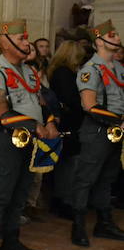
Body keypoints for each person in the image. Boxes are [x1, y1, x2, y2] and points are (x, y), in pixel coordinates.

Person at [0, 19, 58, 250]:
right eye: (22, 38)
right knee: (0, 195)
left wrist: (51, 121)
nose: (27, 42)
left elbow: (41, 105)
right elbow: (2, 112)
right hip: (9, 140)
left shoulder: (28, 71)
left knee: (21, 192)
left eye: (26, 38)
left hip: (31, 141)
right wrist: (34, 125)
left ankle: (11, 240)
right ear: (6, 43)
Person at [70, 20, 124, 247]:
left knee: (107, 177)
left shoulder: (119, 68)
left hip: (116, 130)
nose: (117, 37)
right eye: (111, 35)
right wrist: (118, 122)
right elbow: (89, 105)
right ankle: (78, 226)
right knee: (86, 179)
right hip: (98, 129)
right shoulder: (89, 70)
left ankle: (104, 222)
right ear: (99, 41)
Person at [47, 40, 86, 218]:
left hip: (69, 123)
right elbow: (71, 99)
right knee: (68, 163)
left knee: (67, 163)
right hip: (68, 124)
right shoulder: (64, 74)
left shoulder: (61, 72)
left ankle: (63, 200)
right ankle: (64, 201)